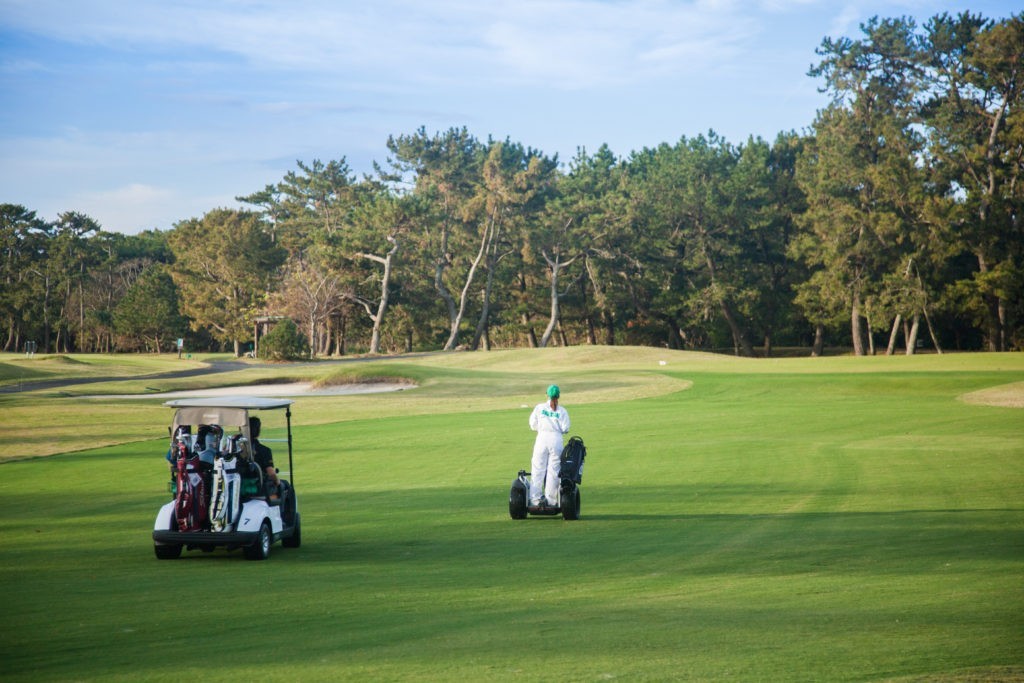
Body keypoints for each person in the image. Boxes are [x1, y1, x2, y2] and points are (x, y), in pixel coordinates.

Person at [528, 384, 570, 507]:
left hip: (541, 438)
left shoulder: (539, 408)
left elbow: (532, 424)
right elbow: (566, 428)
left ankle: (535, 499)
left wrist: (541, 428)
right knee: (554, 470)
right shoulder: (562, 411)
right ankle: (551, 500)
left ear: (547, 395)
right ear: (558, 396)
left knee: (538, 468)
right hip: (556, 439)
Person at [249, 416, 280, 497]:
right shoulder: (264, 450)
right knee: (285, 485)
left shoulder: (236, 449)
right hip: (258, 488)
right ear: (258, 431)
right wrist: (277, 482)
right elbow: (271, 473)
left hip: (240, 485)